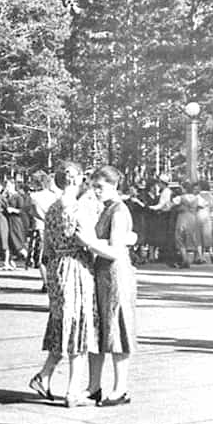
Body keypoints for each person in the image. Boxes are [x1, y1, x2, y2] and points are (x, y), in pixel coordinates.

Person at [29, 163, 100, 407]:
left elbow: (47, 247)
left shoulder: (52, 209)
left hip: (57, 266)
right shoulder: (80, 209)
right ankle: (72, 390)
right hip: (77, 266)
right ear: (79, 179)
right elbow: (90, 241)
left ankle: (45, 376)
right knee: (78, 324)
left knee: (62, 321)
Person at [85, 166, 138, 407]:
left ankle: (120, 388)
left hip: (116, 274)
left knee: (117, 328)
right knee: (99, 329)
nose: (96, 191)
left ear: (114, 186)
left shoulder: (118, 210)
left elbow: (116, 251)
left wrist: (88, 242)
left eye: (101, 187)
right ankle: (93, 385)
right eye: (93, 186)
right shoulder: (106, 208)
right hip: (102, 273)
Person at [28, 173, 59, 292]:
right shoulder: (54, 196)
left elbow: (33, 211)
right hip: (53, 227)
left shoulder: (34, 196)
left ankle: (45, 282)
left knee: (41, 257)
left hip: (40, 227)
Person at [171, 181, 204, 268]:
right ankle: (191, 258)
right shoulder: (197, 198)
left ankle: (185, 259)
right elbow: (203, 205)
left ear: (185, 189)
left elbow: (171, 204)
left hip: (182, 218)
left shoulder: (180, 198)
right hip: (192, 218)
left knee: (180, 238)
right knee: (191, 237)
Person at [4, 180, 29, 265]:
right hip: (9, 221)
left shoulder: (18, 197)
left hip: (16, 221)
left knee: (17, 241)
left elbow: (22, 210)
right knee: (10, 241)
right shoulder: (7, 197)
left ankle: (28, 258)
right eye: (6, 186)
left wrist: (13, 210)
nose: (7, 187)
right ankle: (10, 262)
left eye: (8, 186)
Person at [195, 180, 213, 264]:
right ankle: (211, 252)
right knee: (207, 236)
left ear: (200, 187)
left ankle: (201, 257)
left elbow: (195, 205)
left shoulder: (198, 196)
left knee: (199, 237)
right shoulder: (210, 196)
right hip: (207, 216)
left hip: (199, 216)